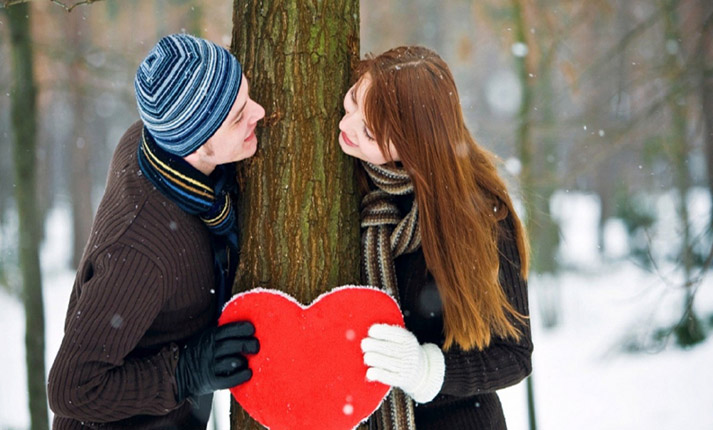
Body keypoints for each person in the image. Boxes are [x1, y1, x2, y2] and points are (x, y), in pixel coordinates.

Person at [47, 34, 265, 429]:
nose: (260, 112)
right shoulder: (142, 252)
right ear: (195, 145)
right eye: (238, 117)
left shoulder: (153, 141)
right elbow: (70, 388)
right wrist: (185, 372)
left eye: (247, 97)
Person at [338, 46, 533, 429]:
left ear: (413, 147)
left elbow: (514, 355)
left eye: (369, 131)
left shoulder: (482, 218)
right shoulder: (351, 180)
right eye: (352, 101)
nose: (347, 126)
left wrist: (426, 369)